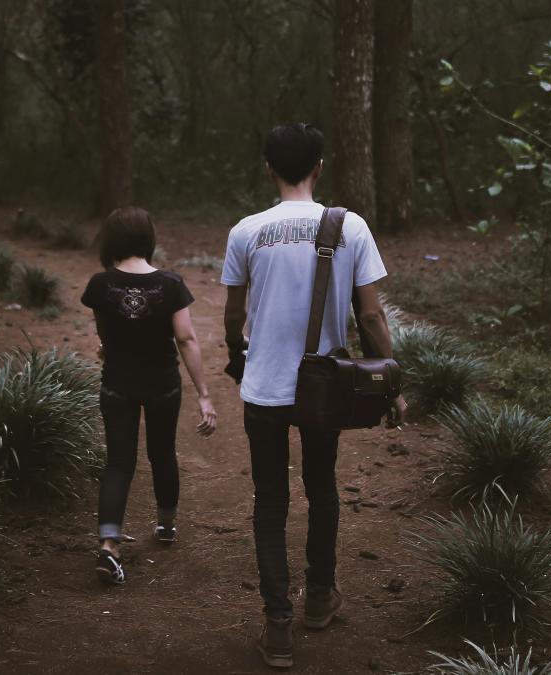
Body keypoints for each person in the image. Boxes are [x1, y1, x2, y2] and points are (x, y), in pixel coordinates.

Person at [220, 123, 407, 668]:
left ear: (268, 169)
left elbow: (236, 314)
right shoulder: (349, 227)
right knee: (322, 489)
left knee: (270, 501)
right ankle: (320, 597)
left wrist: (239, 348)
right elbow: (370, 315)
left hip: (264, 388)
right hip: (323, 386)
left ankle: (278, 627)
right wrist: (393, 385)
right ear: (319, 168)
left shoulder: (246, 231)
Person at [82, 206, 218, 585]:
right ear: (148, 240)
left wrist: (112, 349)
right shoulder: (171, 285)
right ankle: (166, 525)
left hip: (117, 385)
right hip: (162, 386)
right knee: (162, 453)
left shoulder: (100, 285)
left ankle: (109, 546)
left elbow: (105, 333)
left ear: (112, 240)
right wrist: (204, 394)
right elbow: (186, 338)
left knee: (118, 464)